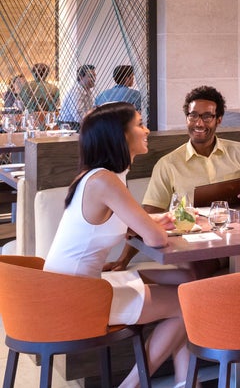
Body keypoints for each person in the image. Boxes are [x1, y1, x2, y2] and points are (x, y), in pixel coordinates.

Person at [44, 103, 189, 388]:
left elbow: (127, 222)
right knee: (188, 304)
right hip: (76, 297)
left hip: (72, 285)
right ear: (119, 135)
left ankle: (187, 381)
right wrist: (156, 226)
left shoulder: (100, 176)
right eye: (139, 124)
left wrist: (157, 219)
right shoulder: (105, 181)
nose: (146, 130)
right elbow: (156, 239)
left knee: (188, 280)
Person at [106, 86, 240, 274]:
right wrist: (123, 260)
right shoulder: (168, 164)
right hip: (197, 245)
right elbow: (147, 215)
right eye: (193, 115)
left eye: (207, 117)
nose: (199, 123)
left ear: (218, 120)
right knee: (198, 267)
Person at [57, 64, 97, 130]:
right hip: (69, 127)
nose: (94, 79)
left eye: (95, 76)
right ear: (81, 77)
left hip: (80, 125)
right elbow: (79, 117)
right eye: (91, 76)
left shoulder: (87, 90)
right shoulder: (76, 92)